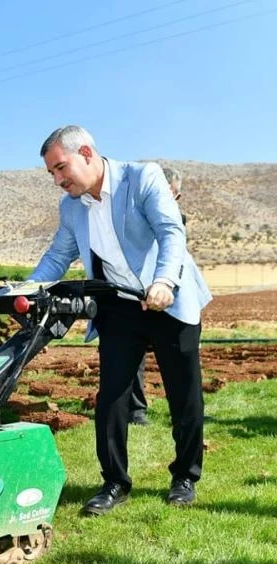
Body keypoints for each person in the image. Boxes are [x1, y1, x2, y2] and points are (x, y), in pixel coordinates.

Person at [29, 126, 211, 515]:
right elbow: (58, 256)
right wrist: (25, 289)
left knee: (184, 393)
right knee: (111, 395)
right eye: (52, 174)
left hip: (168, 298)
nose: (59, 180)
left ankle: (185, 476)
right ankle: (114, 482)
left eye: (62, 168)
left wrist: (164, 282)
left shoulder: (142, 177)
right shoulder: (72, 207)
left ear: (88, 154)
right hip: (120, 306)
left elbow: (170, 232)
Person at [127, 166, 184, 426]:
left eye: (171, 193)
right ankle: (136, 411)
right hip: (138, 296)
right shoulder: (136, 215)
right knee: (135, 356)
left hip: (170, 297)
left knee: (178, 358)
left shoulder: (176, 222)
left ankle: (182, 411)